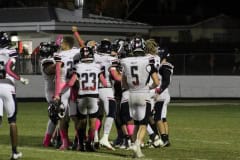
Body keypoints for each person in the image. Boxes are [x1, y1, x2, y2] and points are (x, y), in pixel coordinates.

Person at [120, 36, 160, 158]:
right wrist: (149, 87)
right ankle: (137, 143)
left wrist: (132, 88)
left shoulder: (125, 61)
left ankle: (134, 146)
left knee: (135, 123)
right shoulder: (148, 60)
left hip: (131, 95)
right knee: (143, 123)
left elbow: (123, 83)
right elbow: (157, 82)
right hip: (144, 94)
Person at [67, 46, 107, 151]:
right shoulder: (98, 67)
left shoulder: (77, 67)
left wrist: (78, 82)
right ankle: (90, 143)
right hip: (94, 96)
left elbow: (71, 83)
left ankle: (81, 144)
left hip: (82, 96)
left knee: (82, 121)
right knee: (93, 122)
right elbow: (105, 83)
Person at [0, 31, 29, 160]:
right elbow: (8, 68)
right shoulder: (11, 52)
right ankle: (14, 152)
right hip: (7, 86)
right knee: (12, 121)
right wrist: (20, 79)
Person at [53, 36, 80, 150]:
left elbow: (58, 76)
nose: (60, 44)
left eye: (62, 43)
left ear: (65, 43)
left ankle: (65, 143)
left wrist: (57, 93)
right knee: (76, 117)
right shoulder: (77, 52)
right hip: (75, 87)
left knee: (62, 117)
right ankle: (79, 142)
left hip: (64, 88)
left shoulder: (59, 55)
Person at [94, 39, 121, 150]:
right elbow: (115, 76)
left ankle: (95, 138)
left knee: (97, 115)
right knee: (111, 113)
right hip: (107, 88)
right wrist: (124, 78)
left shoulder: (94, 57)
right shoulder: (112, 59)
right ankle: (105, 137)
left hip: (94, 89)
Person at [39, 41, 60, 147]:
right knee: (56, 117)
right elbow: (51, 69)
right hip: (52, 92)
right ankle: (48, 140)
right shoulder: (46, 61)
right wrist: (62, 61)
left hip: (55, 90)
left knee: (58, 117)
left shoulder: (50, 58)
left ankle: (55, 138)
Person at [154, 48, 174, 147]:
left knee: (158, 117)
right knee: (162, 117)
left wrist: (159, 90)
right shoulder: (163, 66)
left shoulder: (165, 66)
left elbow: (166, 81)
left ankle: (164, 139)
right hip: (163, 93)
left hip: (162, 93)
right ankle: (165, 139)